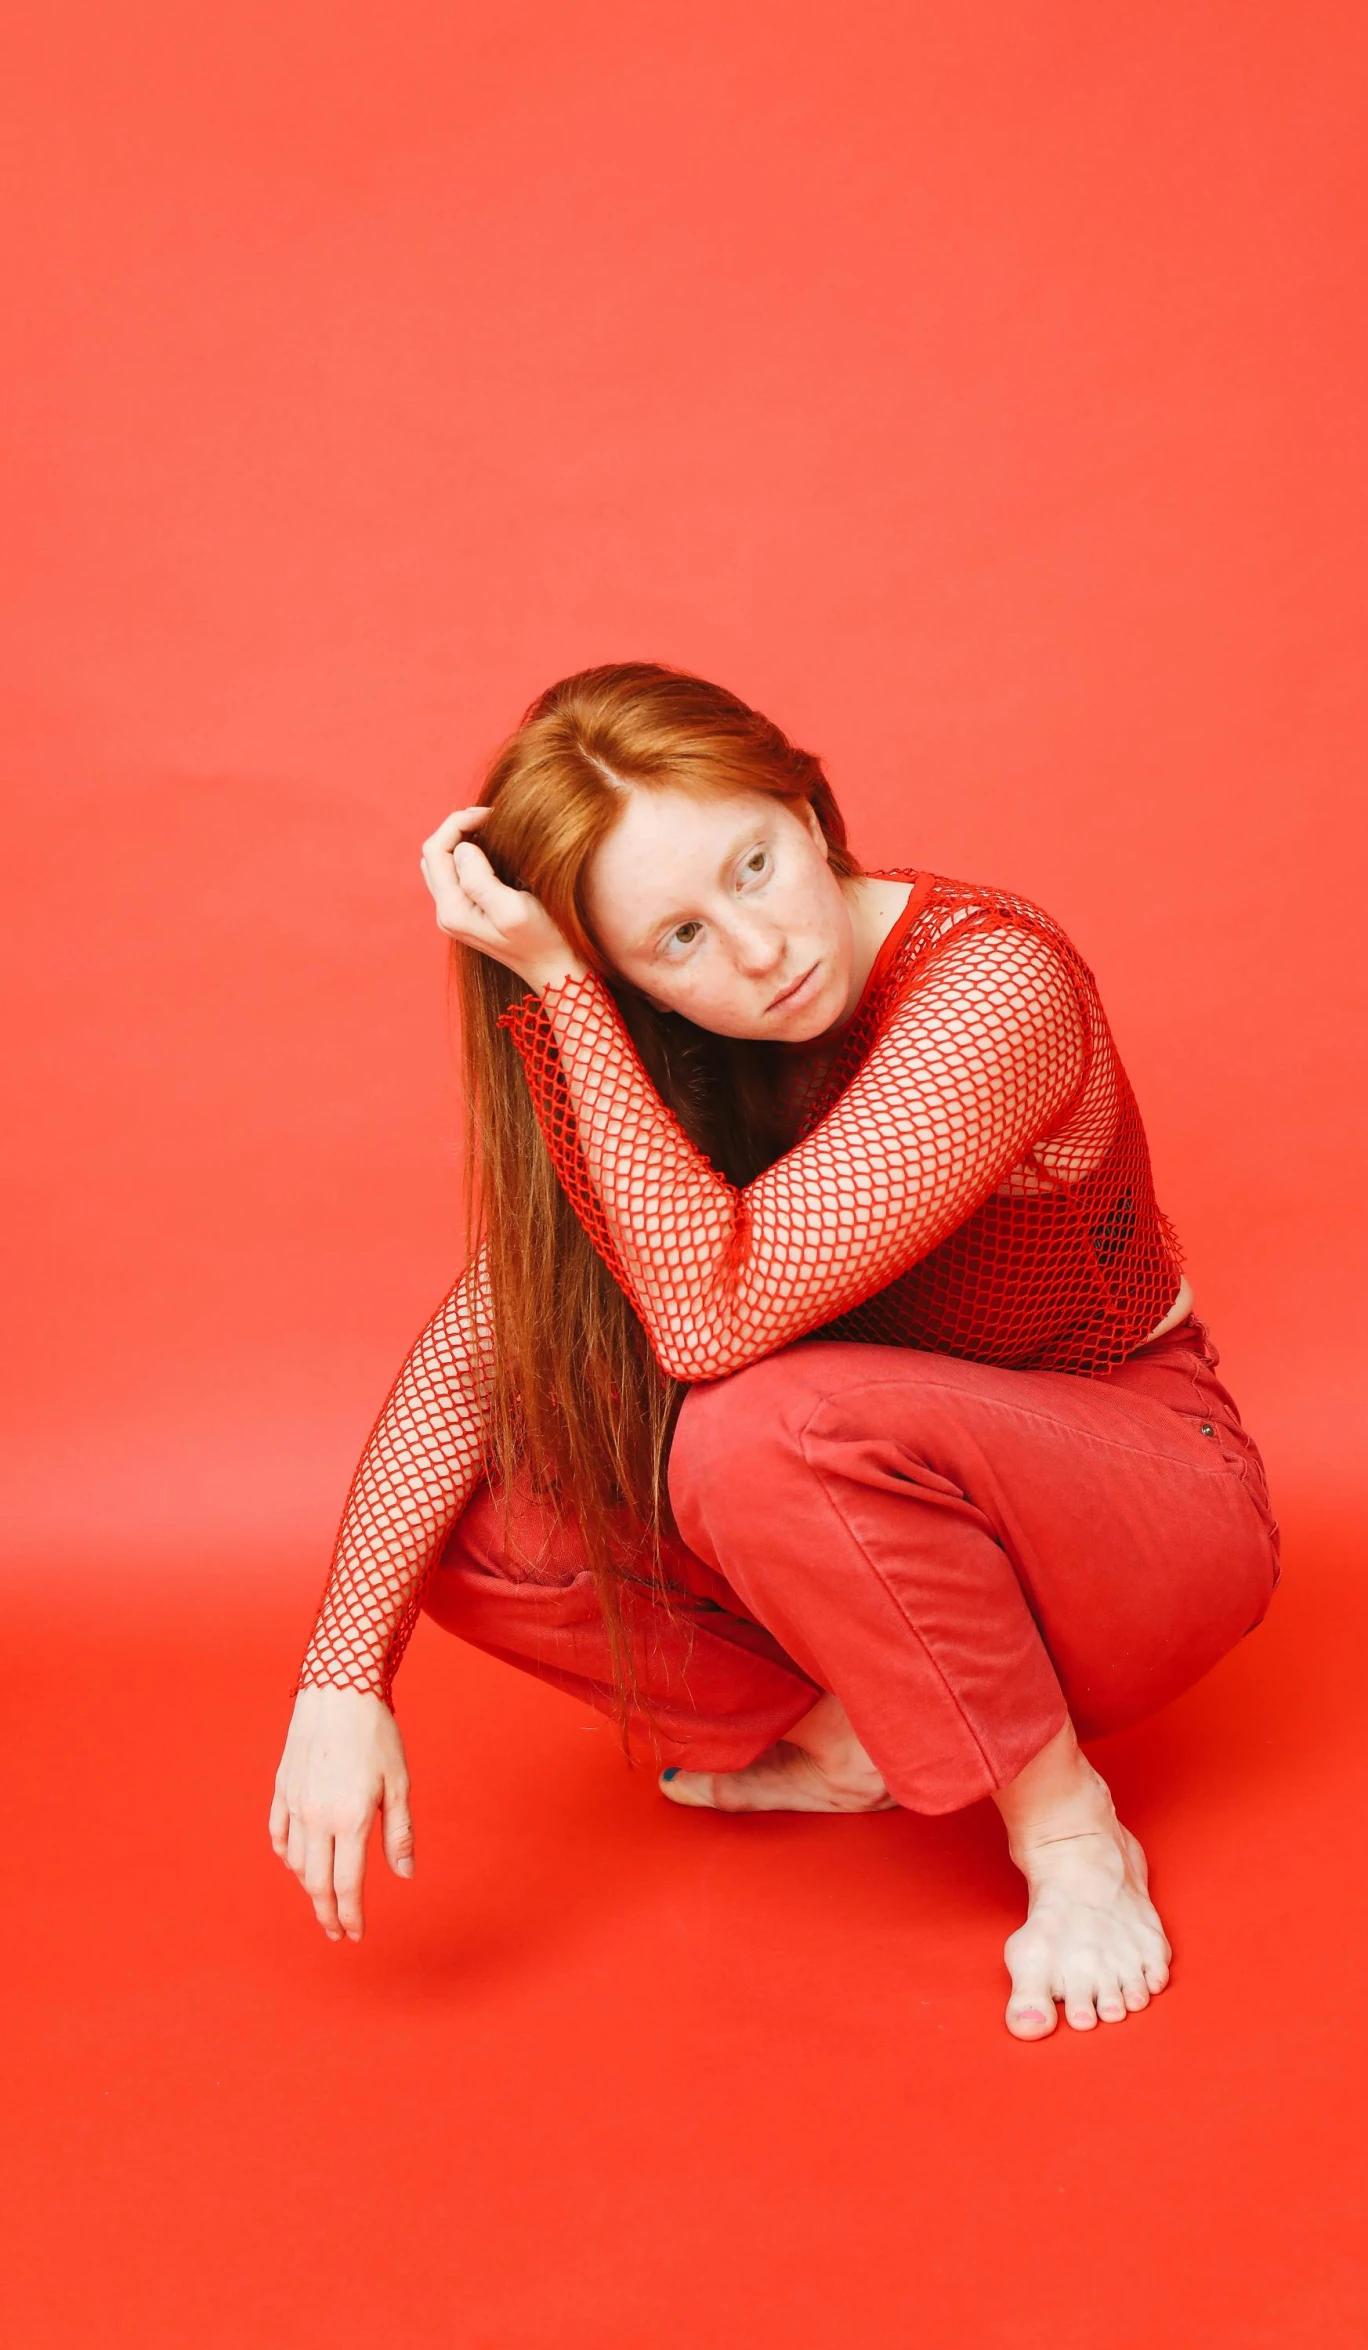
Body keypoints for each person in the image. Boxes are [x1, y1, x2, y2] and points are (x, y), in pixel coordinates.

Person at [269, 662, 1281, 2042]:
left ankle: (1068, 1836)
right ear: (633, 978)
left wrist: (562, 982)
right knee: (469, 1514)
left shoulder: (992, 980)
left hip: (1140, 1503)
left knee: (756, 1424)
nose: (754, 951)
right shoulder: (673, 1054)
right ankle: (851, 1735)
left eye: (753, 864)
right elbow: (473, 1352)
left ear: (806, 805)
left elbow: (709, 1319)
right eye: (674, 939)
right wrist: (339, 1675)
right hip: (901, 1528)